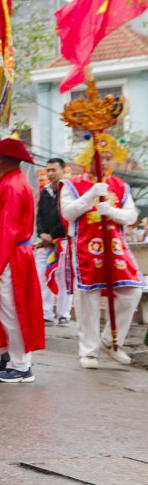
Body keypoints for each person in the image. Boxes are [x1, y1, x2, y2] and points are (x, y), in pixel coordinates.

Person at [59, 134, 143, 369]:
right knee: (88, 297)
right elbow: (68, 214)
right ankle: (88, 351)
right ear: (89, 157)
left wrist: (112, 212)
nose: (104, 162)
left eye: (108, 158)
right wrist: (91, 195)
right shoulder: (71, 184)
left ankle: (110, 340)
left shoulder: (120, 185)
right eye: (100, 157)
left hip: (115, 247)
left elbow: (132, 215)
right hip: (85, 247)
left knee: (132, 290)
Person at [0, 139, 45, 383]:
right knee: (4, 308)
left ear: (3, 160)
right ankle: (9, 357)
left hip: (11, 255)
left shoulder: (13, 186)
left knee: (12, 309)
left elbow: (8, 229)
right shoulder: (11, 182)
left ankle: (21, 366)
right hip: (8, 251)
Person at [36, 158, 72, 326]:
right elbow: (40, 215)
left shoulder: (70, 191)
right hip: (45, 242)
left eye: (53, 170)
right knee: (42, 275)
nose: (49, 173)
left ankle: (64, 314)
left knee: (65, 278)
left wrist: (52, 234)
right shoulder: (44, 192)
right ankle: (45, 312)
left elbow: (67, 216)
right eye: (47, 170)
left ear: (63, 170)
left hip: (64, 241)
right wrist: (42, 233)